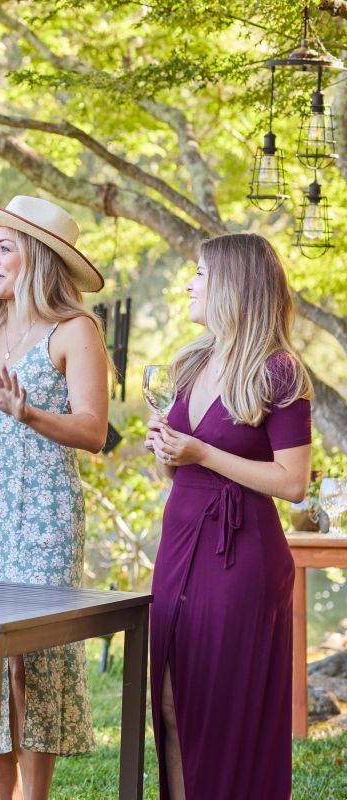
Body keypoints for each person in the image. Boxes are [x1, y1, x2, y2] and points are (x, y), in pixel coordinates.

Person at [0, 196, 108, 800]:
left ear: (38, 257)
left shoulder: (75, 330)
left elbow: (91, 431)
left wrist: (28, 411)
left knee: (33, 660)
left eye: (5, 246)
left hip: (45, 515)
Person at [146, 233, 311, 800]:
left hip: (241, 558)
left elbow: (293, 482)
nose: (189, 284)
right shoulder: (192, 365)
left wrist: (201, 453)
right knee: (169, 703)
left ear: (234, 285)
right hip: (179, 544)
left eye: (200, 273)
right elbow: (179, 474)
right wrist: (168, 454)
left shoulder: (278, 370)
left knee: (223, 709)